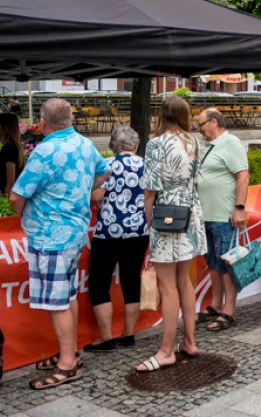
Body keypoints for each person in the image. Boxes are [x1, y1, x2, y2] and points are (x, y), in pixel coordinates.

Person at [9, 98, 108, 388]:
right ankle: (71, 351)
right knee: (68, 295)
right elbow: (104, 171)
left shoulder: (45, 151)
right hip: (76, 231)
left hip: (50, 235)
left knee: (57, 302)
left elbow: (16, 196)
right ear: (70, 119)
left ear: (42, 122)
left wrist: (24, 212)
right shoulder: (84, 144)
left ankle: (67, 363)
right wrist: (82, 190)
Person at [135, 97, 208, 371]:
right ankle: (189, 341)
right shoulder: (193, 141)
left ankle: (166, 351)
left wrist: (149, 223)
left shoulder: (157, 144)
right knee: (184, 281)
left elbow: (150, 190)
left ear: (161, 115)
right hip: (190, 212)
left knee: (167, 286)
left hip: (167, 215)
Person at [84, 126, 148, 353]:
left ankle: (106, 337)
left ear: (112, 146)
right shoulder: (146, 165)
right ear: (136, 145)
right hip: (139, 231)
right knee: (132, 280)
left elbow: (94, 197)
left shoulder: (107, 166)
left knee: (99, 283)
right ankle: (128, 333)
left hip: (108, 233)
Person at [196, 108, 250, 332]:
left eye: (201, 124)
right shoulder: (208, 146)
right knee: (213, 262)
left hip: (223, 213)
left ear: (214, 122)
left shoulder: (231, 143)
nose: (199, 129)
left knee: (227, 262)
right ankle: (216, 304)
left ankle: (229, 310)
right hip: (205, 215)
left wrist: (239, 208)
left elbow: (242, 175)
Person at [0, 112, 26, 195]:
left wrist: (6, 200)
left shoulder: (9, 149)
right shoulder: (12, 147)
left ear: (5, 129)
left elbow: (10, 183)